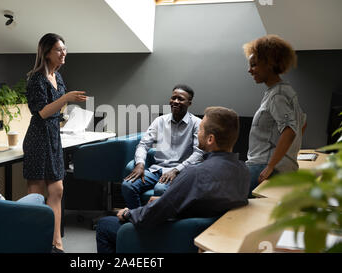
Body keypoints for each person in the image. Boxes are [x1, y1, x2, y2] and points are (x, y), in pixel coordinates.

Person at [96, 107, 250, 253]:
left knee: (104, 225)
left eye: (201, 130)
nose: (198, 133)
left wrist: (129, 213)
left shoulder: (195, 173)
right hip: (210, 236)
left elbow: (151, 216)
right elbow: (207, 202)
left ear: (210, 139)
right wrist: (165, 200)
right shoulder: (244, 171)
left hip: (177, 235)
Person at [23, 33, 87, 253]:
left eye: (64, 49)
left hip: (53, 137)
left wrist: (63, 108)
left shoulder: (57, 77)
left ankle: (56, 242)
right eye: (59, 50)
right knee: (36, 195)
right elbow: (40, 113)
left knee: (57, 190)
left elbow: (56, 110)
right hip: (38, 138)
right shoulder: (36, 78)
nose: (63, 53)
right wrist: (65, 98)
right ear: (47, 52)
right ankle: (36, 243)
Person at [121, 84, 204, 209]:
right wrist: (140, 164)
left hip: (180, 172)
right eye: (173, 98)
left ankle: (156, 223)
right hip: (157, 170)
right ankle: (137, 219)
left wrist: (176, 170)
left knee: (160, 188)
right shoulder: (160, 121)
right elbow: (143, 145)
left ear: (189, 103)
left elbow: (199, 153)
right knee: (128, 185)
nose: (175, 101)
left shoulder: (197, 123)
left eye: (180, 99)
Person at [243, 34, 307, 194]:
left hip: (264, 167)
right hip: (282, 168)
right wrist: (290, 154)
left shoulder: (277, 94)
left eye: (254, 65)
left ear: (269, 63)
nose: (249, 70)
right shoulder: (287, 91)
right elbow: (302, 124)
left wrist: (271, 165)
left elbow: (290, 130)